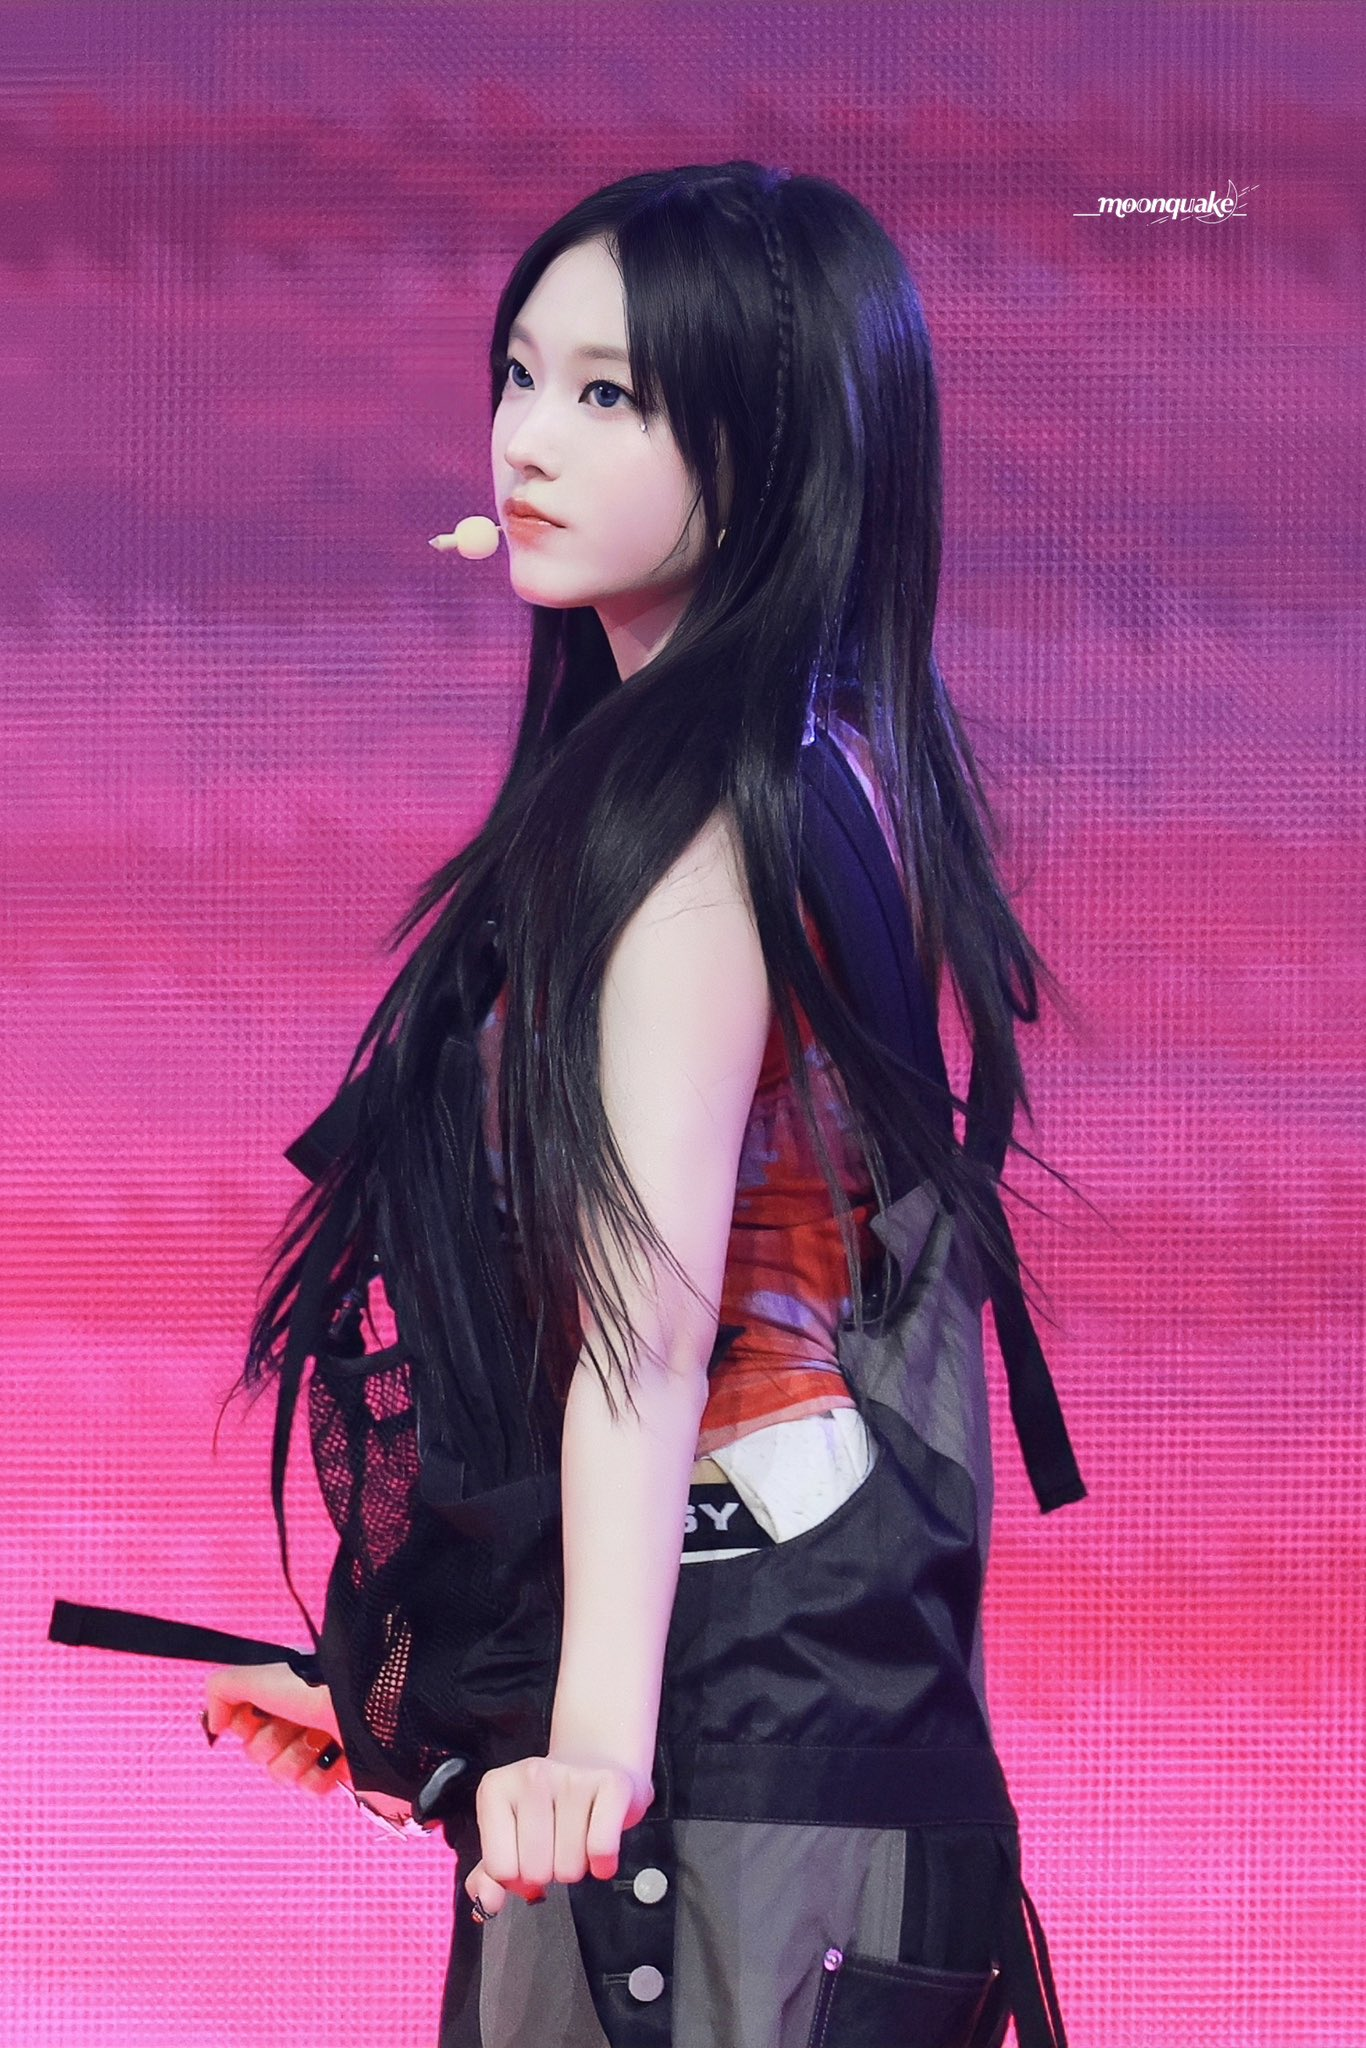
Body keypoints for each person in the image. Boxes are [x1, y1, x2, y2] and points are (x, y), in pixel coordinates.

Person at [203, 160, 1080, 2047]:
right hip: (790, 1714)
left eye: (610, 394)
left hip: (726, 1761)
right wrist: (439, 1706)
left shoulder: (693, 813)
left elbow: (649, 1321)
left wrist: (588, 1740)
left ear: (769, 450)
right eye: (521, 375)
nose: (526, 438)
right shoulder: (817, 764)